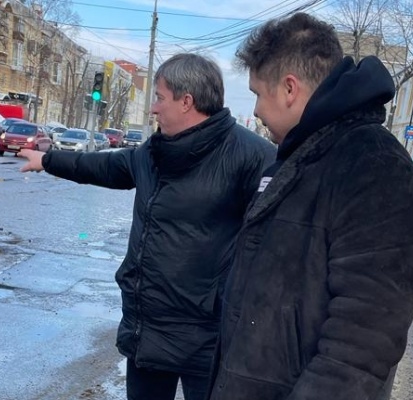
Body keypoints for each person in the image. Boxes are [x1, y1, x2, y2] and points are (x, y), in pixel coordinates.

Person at [18, 53, 276, 400]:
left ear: (186, 102)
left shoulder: (254, 157)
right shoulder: (153, 152)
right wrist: (48, 160)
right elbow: (104, 167)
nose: (153, 108)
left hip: (209, 338)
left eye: (159, 97)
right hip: (148, 330)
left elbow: (276, 245)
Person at [208, 13, 413, 400]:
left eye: (258, 93)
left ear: (289, 88)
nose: (256, 111)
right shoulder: (297, 157)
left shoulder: (376, 167)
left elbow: (362, 344)